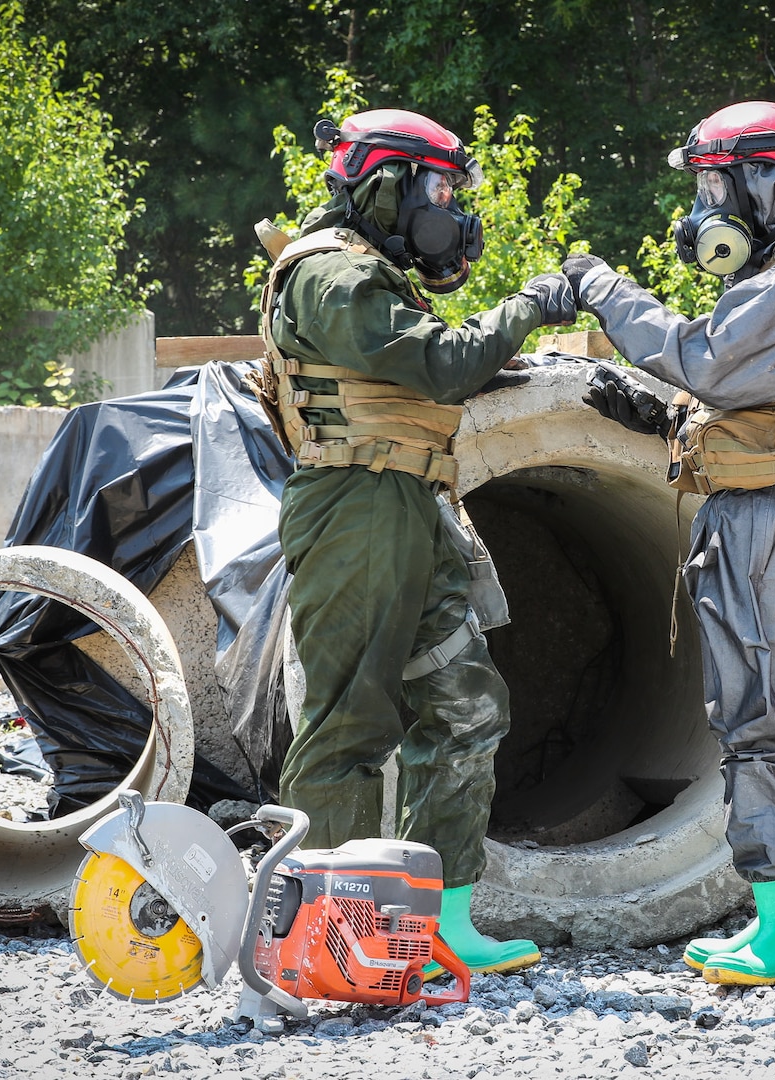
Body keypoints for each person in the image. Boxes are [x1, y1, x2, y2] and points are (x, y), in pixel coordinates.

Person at [251, 108, 575, 974]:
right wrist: (531, 306)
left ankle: (435, 930)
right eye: (438, 187)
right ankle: (325, 942)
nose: (448, 207)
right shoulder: (329, 275)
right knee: (349, 724)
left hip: (412, 501)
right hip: (355, 504)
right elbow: (438, 363)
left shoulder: (373, 275)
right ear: (385, 182)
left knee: (467, 705)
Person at [564, 100, 775, 986]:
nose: (705, 208)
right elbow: (753, 399)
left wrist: (602, 289)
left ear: (768, 182)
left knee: (762, 710)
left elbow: (704, 359)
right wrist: (671, 422)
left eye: (715, 184)